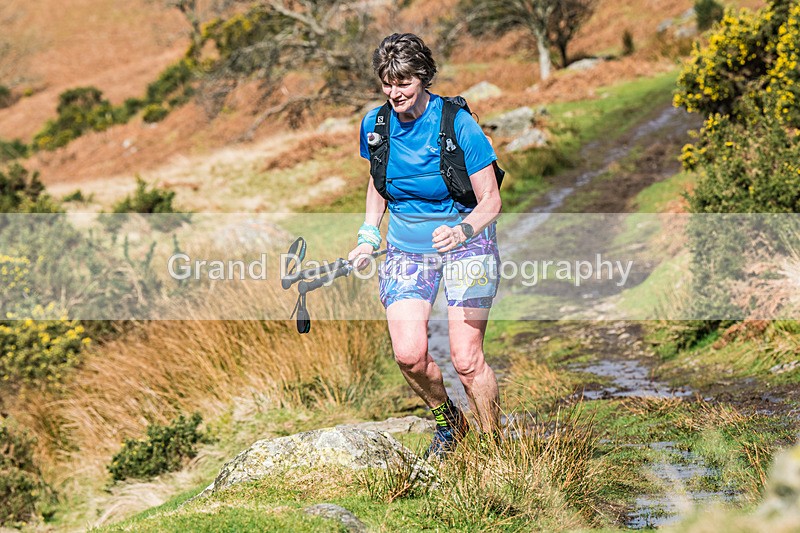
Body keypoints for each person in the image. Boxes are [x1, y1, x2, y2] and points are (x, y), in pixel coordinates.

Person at [348, 33, 502, 459]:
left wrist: (462, 232)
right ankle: (450, 423)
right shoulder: (375, 126)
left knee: (466, 359)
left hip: (467, 245)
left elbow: (491, 200)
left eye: (404, 82)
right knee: (409, 355)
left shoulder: (457, 125)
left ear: (424, 77)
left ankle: (494, 450)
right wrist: (367, 235)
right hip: (406, 250)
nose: (395, 92)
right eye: (387, 82)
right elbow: (379, 182)